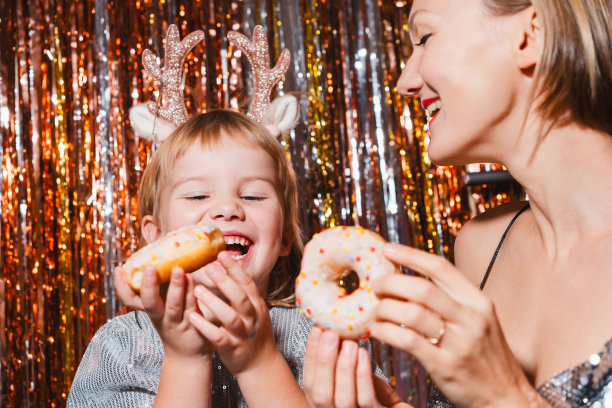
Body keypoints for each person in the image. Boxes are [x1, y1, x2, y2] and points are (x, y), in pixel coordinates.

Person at [303, 0, 612, 407]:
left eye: (425, 38)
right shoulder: (481, 247)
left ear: (529, 35)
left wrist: (504, 398)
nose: (404, 82)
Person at [67, 109, 312, 407]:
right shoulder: (121, 346)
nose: (227, 208)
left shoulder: (316, 336)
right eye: (197, 196)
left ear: (285, 236)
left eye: (252, 196)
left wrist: (259, 362)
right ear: (157, 236)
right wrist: (186, 360)